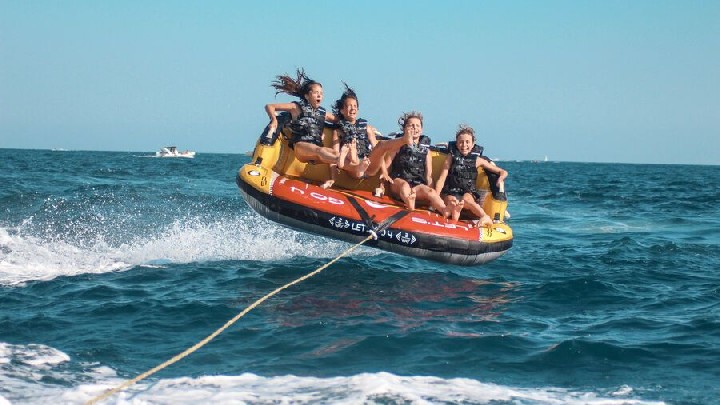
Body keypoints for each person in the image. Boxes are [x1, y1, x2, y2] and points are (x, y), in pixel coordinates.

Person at [321, 85, 413, 190]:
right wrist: (333, 178)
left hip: (369, 165)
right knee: (351, 151)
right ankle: (355, 157)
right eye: (349, 106)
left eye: (355, 106)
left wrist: (384, 172)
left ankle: (404, 139)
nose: (353, 108)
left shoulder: (367, 128)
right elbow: (334, 156)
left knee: (381, 145)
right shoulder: (338, 131)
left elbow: (379, 153)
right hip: (353, 168)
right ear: (342, 110)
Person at [434, 124, 508, 225]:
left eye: (467, 142)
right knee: (452, 201)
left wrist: (501, 178)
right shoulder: (451, 157)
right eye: (461, 142)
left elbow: (502, 172)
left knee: (467, 199)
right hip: (451, 191)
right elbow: (442, 178)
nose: (464, 145)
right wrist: (436, 197)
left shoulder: (478, 160)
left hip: (468, 192)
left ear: (473, 144)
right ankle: (455, 212)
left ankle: (485, 217)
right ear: (456, 143)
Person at [264, 68, 338, 164]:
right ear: (307, 96)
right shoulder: (296, 107)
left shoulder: (323, 113)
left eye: (321, 93)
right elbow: (270, 106)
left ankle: (357, 168)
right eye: (316, 93)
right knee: (320, 151)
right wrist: (274, 119)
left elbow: (339, 120)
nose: (319, 95)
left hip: (317, 149)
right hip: (301, 146)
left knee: (334, 152)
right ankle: (339, 161)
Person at [386, 111, 449, 215]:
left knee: (430, 192)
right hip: (398, 183)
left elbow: (428, 175)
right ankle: (409, 203)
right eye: (411, 125)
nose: (415, 128)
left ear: (421, 129)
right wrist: (383, 185)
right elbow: (387, 165)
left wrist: (431, 193)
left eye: (417, 126)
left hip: (416, 187)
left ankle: (445, 210)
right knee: (404, 185)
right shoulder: (398, 144)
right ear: (404, 128)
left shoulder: (426, 151)